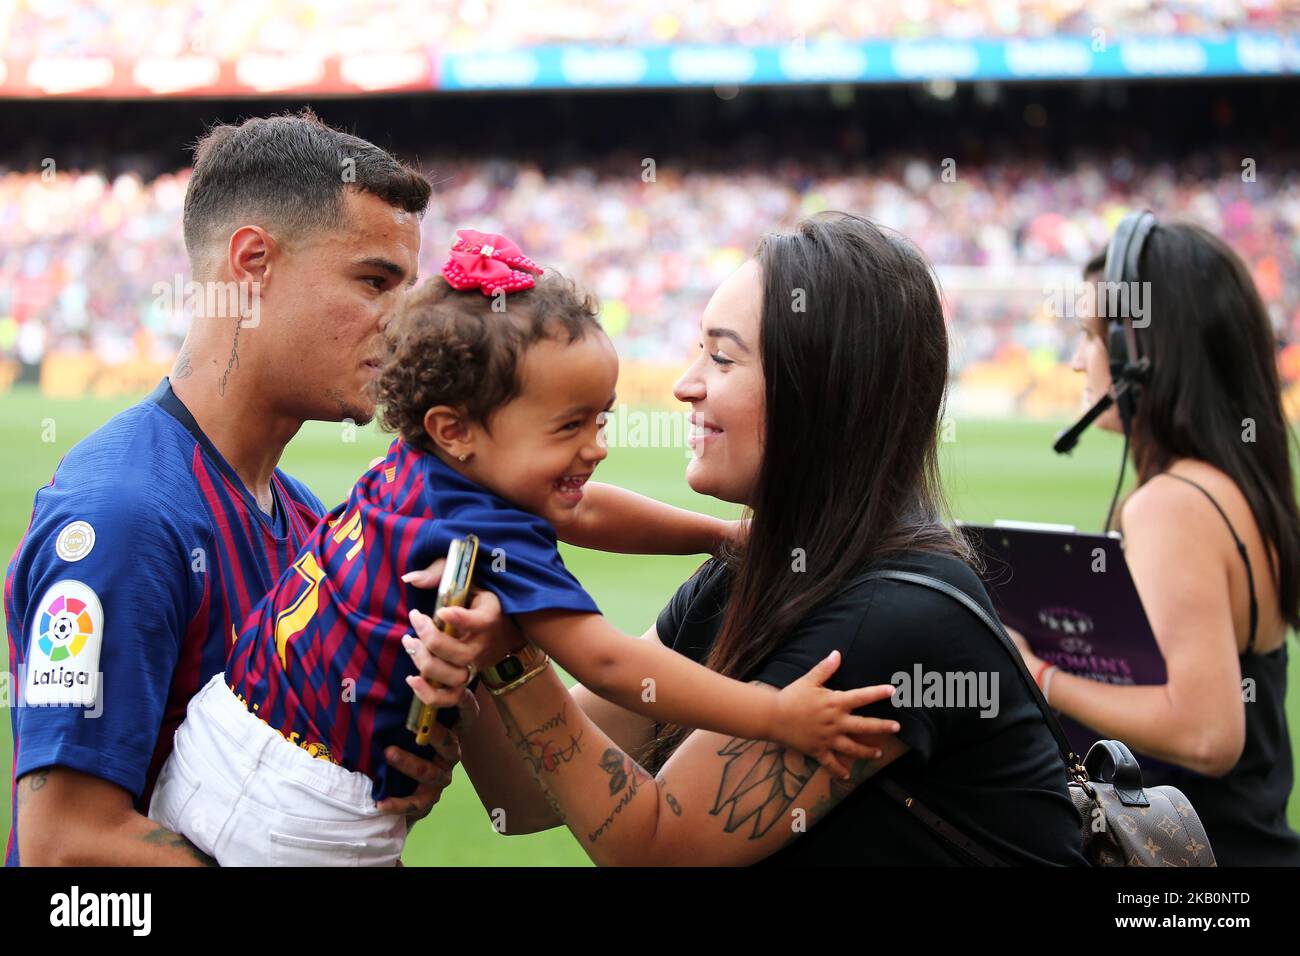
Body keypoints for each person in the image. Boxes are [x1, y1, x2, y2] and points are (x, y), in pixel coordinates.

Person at [4, 112, 720, 866]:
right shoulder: (125, 514)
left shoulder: (322, 520)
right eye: (375, 281)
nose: (408, 322)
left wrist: (425, 729)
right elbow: (65, 848)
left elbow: (517, 808)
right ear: (253, 266)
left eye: (408, 288)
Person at [147, 229, 892, 866]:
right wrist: (777, 716)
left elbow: (588, 514)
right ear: (457, 428)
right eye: (570, 426)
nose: (597, 448)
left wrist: (717, 534)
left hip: (232, 734)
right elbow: (610, 662)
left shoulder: (428, 470)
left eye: (601, 420)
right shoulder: (487, 528)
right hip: (301, 801)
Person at [405, 212, 1088, 865]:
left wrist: (516, 656)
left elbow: (654, 846)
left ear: (823, 389)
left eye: (722, 358)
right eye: (699, 348)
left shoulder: (895, 616)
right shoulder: (746, 570)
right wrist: (475, 656)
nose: (683, 385)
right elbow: (522, 800)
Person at [1011, 221, 1300, 865]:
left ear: (1142, 350)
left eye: (1091, 338)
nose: (1078, 360)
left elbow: (1207, 733)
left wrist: (1040, 674)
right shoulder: (1226, 483)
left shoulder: (1173, 504)